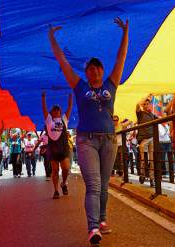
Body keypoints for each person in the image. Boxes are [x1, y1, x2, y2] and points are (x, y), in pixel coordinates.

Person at [48, 17, 128, 245]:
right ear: (87, 72)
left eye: (97, 67)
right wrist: (52, 39)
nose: (94, 70)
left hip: (109, 141)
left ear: (102, 71)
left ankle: (102, 219)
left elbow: (121, 57)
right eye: (90, 68)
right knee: (93, 185)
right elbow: (62, 61)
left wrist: (125, 33)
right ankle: (93, 227)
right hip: (86, 141)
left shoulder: (111, 85)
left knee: (104, 184)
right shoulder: (79, 86)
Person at [42, 92, 73, 199]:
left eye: (58, 109)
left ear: (60, 112)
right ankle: (56, 191)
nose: (56, 110)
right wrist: (43, 98)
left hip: (63, 148)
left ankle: (64, 184)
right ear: (51, 112)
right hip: (53, 149)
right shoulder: (49, 121)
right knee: (55, 170)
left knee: (65, 169)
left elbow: (69, 107)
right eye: (54, 109)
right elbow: (44, 110)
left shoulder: (64, 119)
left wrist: (70, 97)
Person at [136, 94, 158, 187]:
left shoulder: (153, 115)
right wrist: (147, 96)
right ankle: (142, 174)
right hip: (143, 139)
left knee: (152, 160)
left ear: (150, 105)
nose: (146, 105)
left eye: (147, 104)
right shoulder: (140, 113)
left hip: (152, 138)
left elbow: (163, 119)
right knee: (143, 159)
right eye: (144, 104)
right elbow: (138, 104)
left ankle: (152, 179)